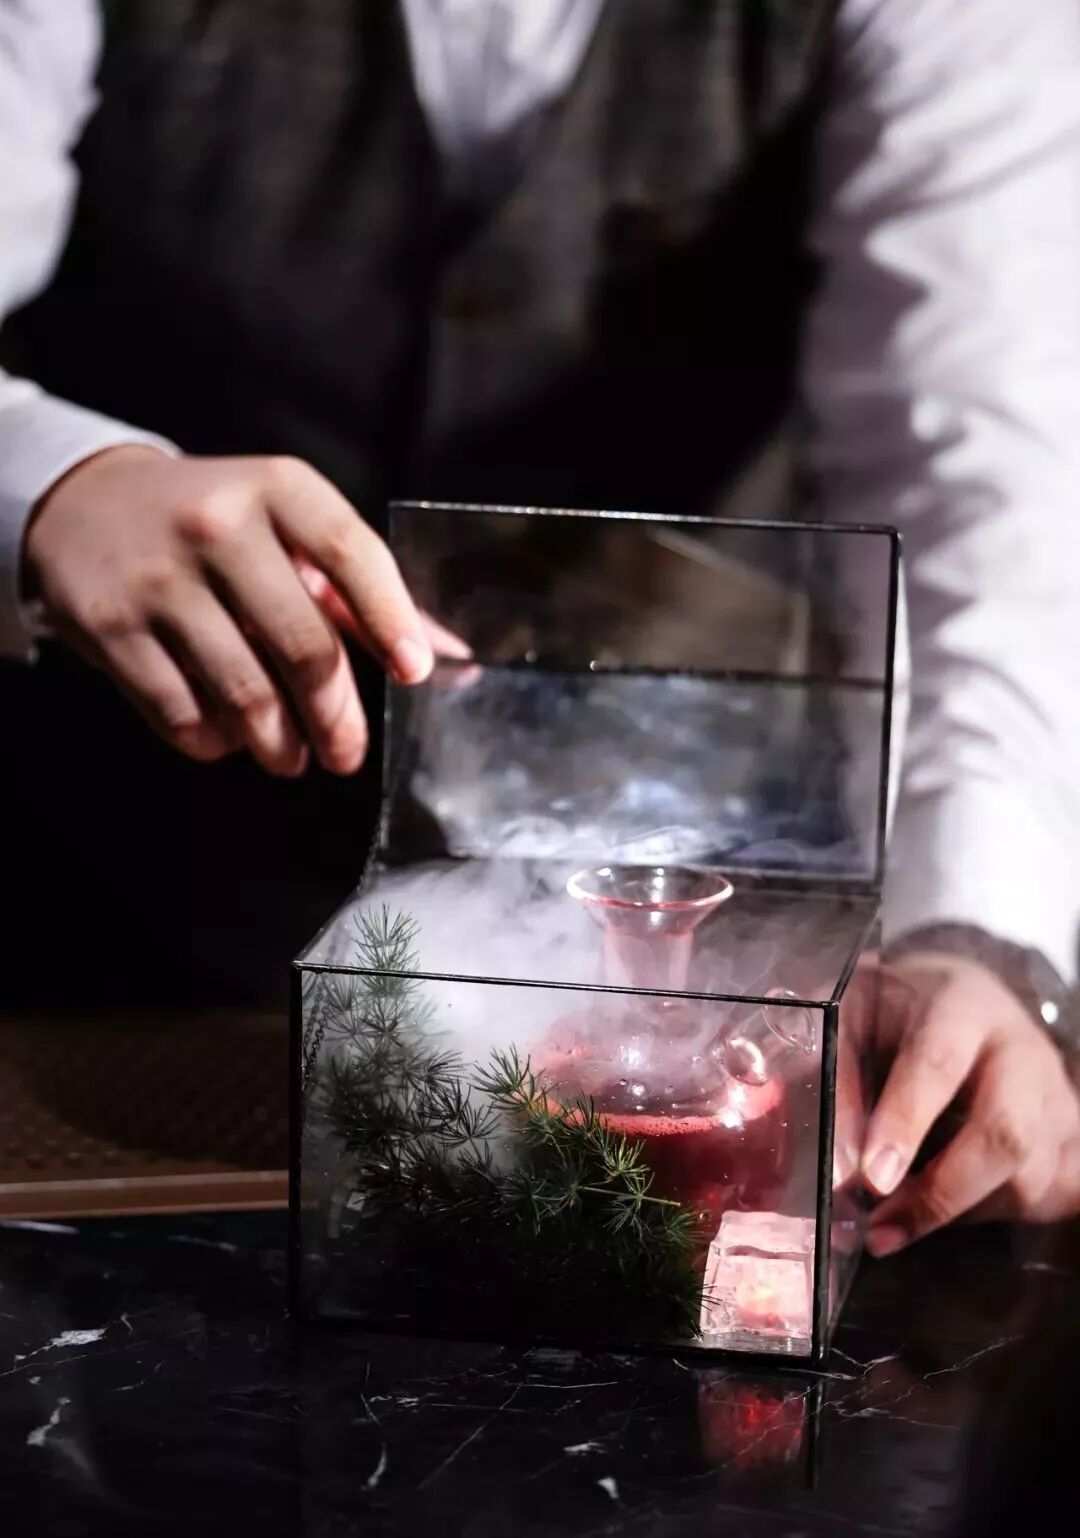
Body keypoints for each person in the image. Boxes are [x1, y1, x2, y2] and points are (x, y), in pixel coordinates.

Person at [1, 0, 1079, 1253]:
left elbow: (990, 485)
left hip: (713, 912)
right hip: (108, 910)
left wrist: (975, 938)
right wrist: (47, 485)